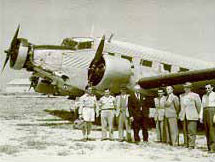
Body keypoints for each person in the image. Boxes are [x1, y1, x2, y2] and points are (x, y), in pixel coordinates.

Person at [179, 82, 201, 149]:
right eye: (185, 87)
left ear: (191, 88)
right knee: (185, 130)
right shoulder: (181, 96)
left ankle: (191, 145)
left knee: (191, 130)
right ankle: (186, 143)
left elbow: (199, 106)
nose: (186, 89)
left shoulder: (195, 95)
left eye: (188, 87)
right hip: (184, 115)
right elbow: (181, 106)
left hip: (192, 115)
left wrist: (198, 114)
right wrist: (180, 114)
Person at [201, 84, 215, 153]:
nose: (207, 89)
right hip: (205, 112)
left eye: (208, 88)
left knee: (212, 130)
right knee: (207, 130)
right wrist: (200, 116)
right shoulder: (204, 96)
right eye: (206, 88)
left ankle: (213, 147)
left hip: (212, 111)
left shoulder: (214, 95)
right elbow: (202, 106)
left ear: (212, 88)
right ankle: (209, 147)